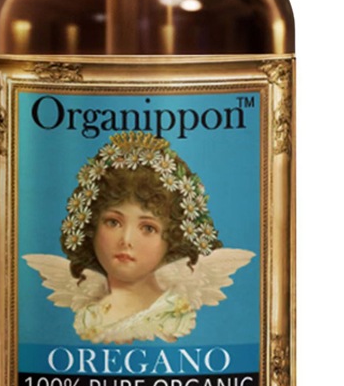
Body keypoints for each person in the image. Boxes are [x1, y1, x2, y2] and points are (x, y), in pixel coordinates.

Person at [25, 131, 253, 344]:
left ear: (172, 239)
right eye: (113, 222)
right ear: (90, 228)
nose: (126, 240)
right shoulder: (89, 317)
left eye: (148, 228)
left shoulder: (174, 314)